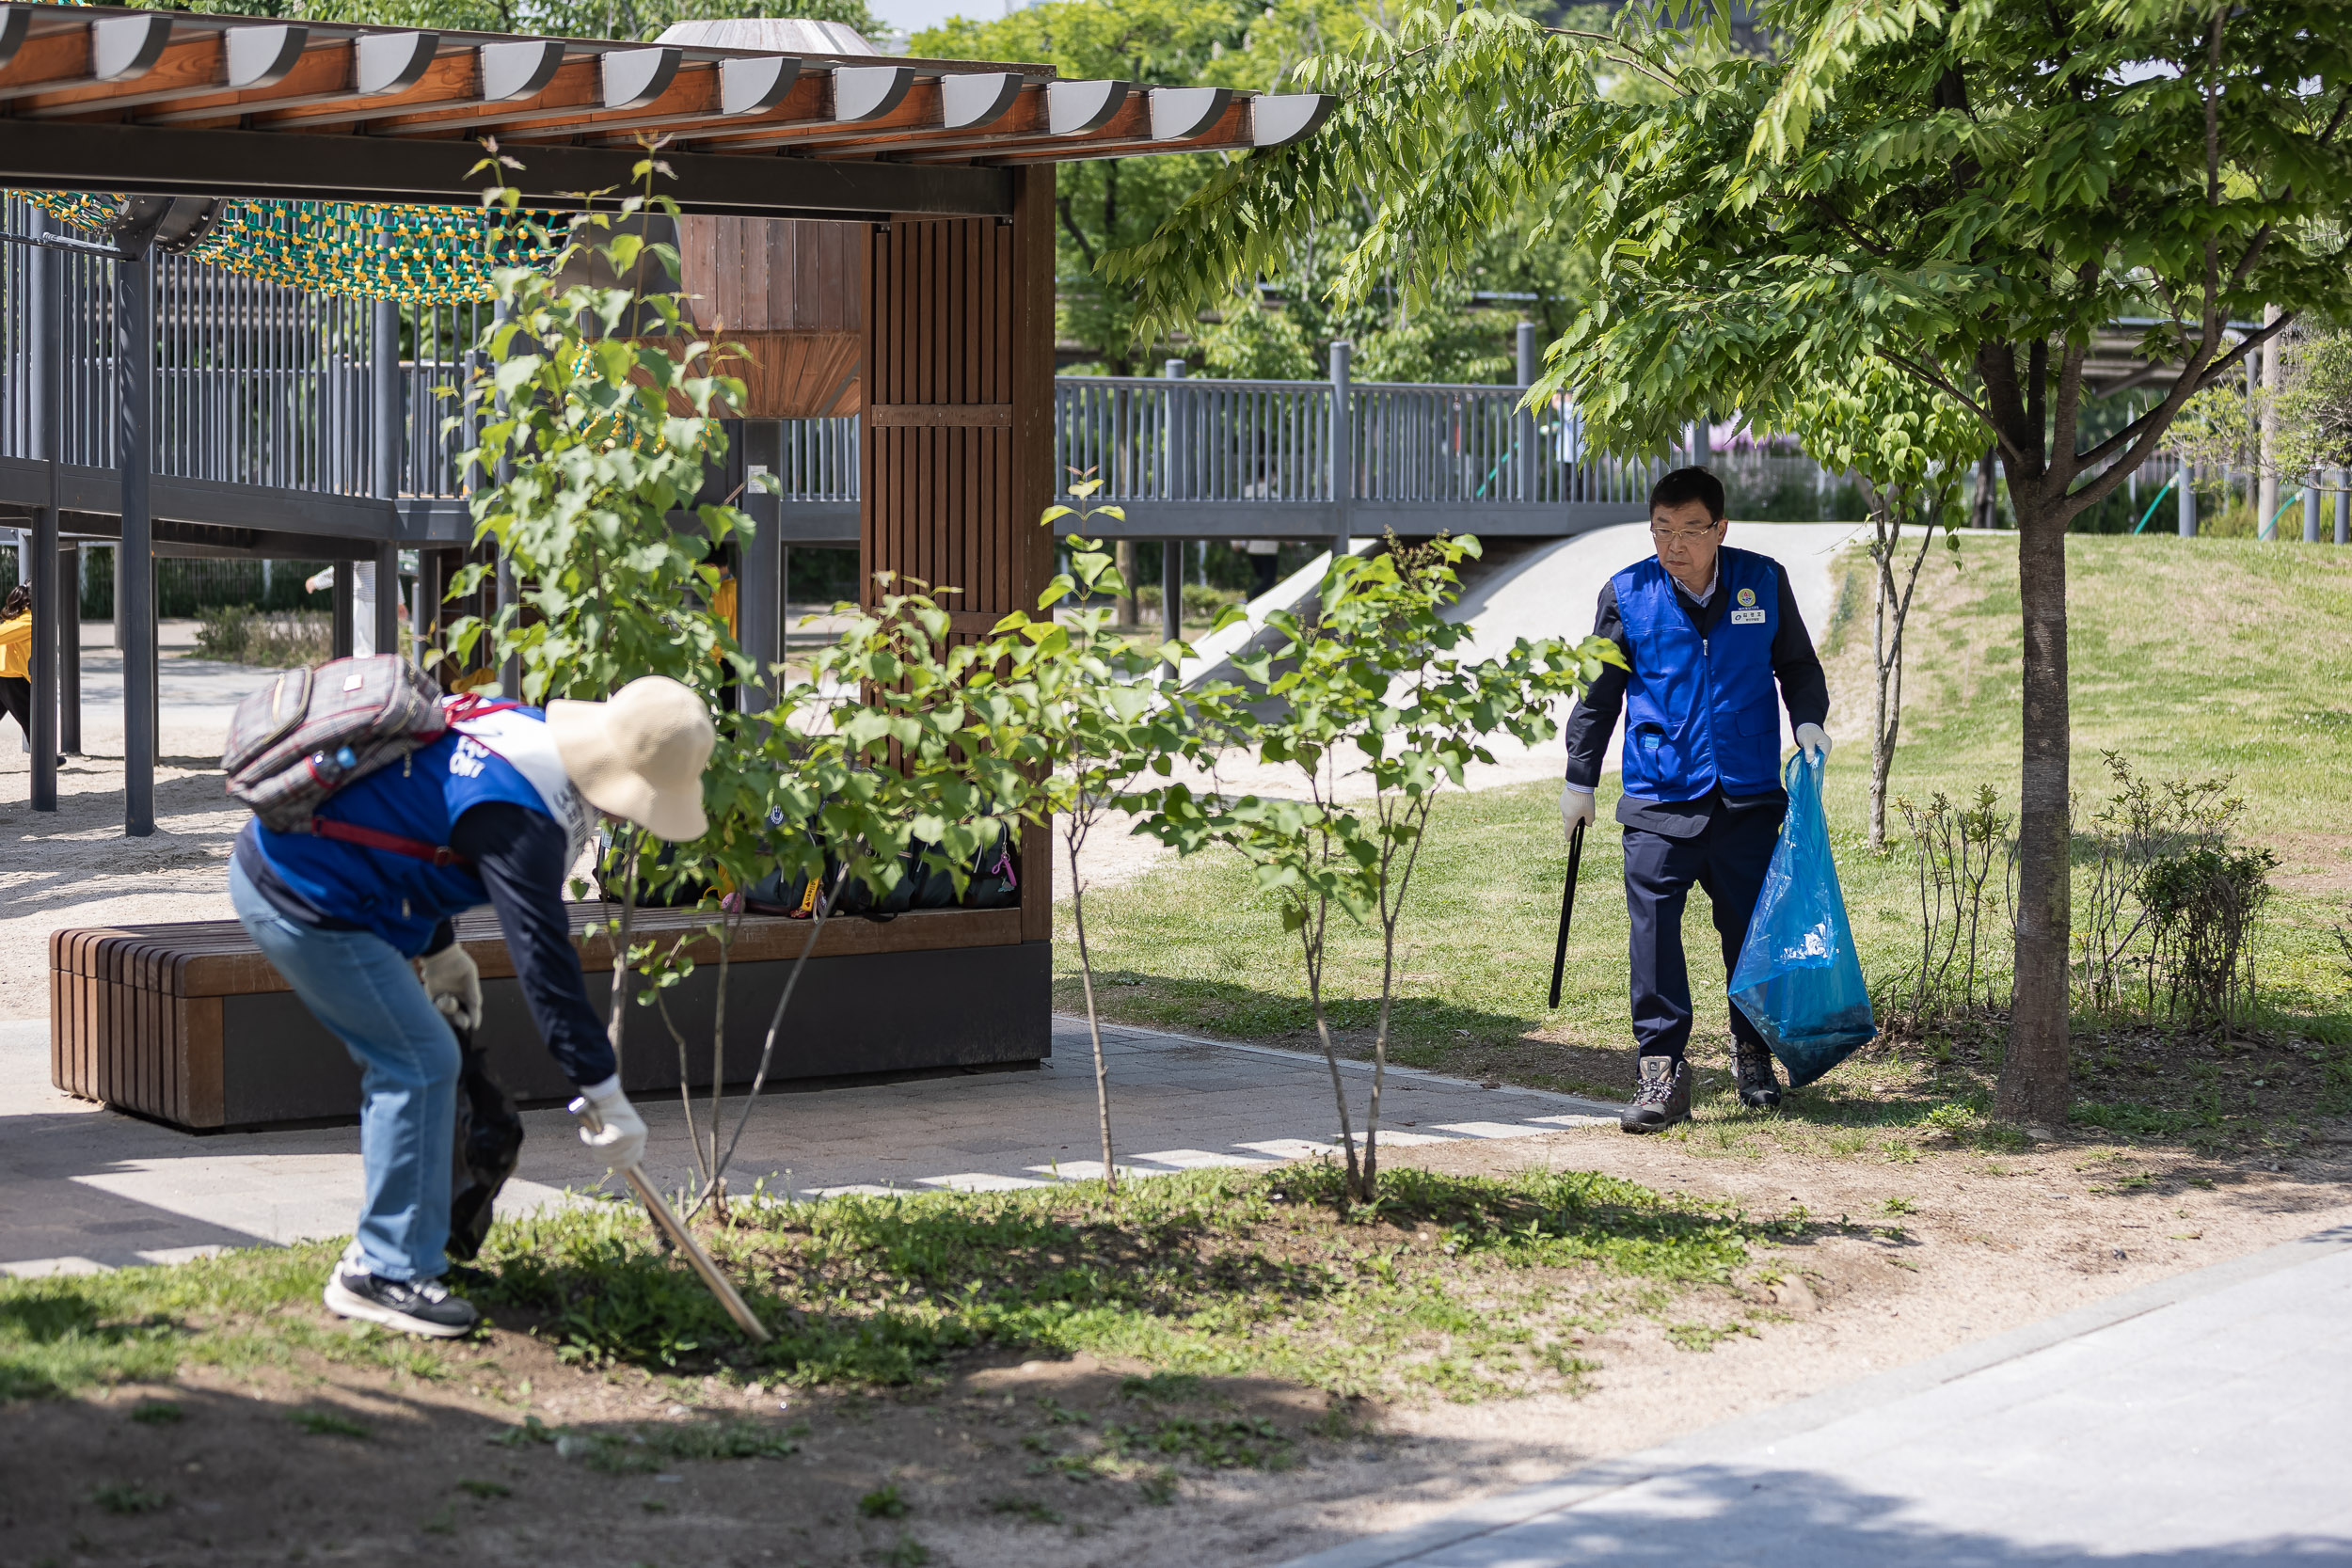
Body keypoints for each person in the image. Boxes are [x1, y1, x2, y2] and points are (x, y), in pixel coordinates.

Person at [230, 673, 716, 1337]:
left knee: (429, 1060)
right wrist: (602, 1090)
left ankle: (415, 1256)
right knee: (418, 1061)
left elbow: (409, 817)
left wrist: (439, 950)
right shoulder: (527, 815)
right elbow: (545, 964)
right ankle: (382, 1271)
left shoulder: (519, 731)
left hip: (324, 876)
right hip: (303, 893)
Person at [1559, 467, 1831, 1133]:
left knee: (1748, 935)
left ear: (1719, 529)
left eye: (1688, 531)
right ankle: (1662, 1070)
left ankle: (1752, 1054)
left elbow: (1796, 663)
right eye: (1661, 530)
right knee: (1653, 936)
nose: (1673, 545)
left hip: (1744, 796)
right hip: (1658, 795)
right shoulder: (1627, 593)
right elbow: (1599, 694)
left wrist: (1808, 717)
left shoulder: (1760, 581)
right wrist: (1580, 777)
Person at [0, 585, 31, 749]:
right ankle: (46, 758)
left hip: (5, 673)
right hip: (11, 678)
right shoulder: (28, 621)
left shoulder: (15, 618)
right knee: (33, 720)